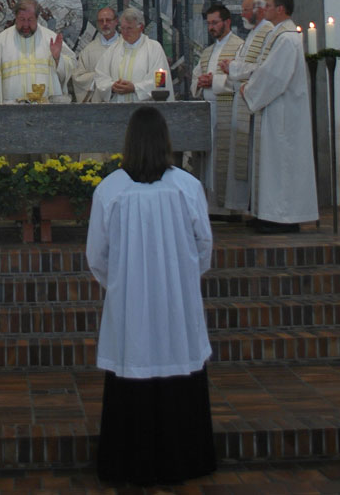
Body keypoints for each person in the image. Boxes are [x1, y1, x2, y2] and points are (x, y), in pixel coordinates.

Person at [86, 105, 216, 487]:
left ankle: (129, 461)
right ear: (165, 142)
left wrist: (125, 286)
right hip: (177, 302)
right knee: (179, 361)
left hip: (130, 303)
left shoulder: (110, 189)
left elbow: (97, 256)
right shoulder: (187, 187)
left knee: (134, 360)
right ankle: (185, 458)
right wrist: (179, 279)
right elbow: (203, 245)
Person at [240, 0, 319, 233]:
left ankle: (283, 217)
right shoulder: (277, 34)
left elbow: (273, 75)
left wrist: (249, 89)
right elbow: (266, 69)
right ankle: (267, 212)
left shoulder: (287, 38)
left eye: (270, 5)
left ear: (281, 9)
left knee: (281, 164)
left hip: (283, 113)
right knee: (270, 165)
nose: (266, 10)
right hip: (273, 109)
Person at [219, 0, 272, 212]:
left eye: (246, 10)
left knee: (256, 158)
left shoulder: (268, 33)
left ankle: (258, 207)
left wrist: (232, 68)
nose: (243, 14)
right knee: (244, 159)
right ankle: (249, 207)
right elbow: (245, 64)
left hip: (256, 107)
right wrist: (233, 67)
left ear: (259, 10)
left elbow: (262, 69)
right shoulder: (252, 35)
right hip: (243, 100)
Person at [190, 2, 242, 210]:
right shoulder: (208, 52)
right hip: (207, 112)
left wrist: (215, 82)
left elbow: (242, 79)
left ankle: (228, 207)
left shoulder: (239, 47)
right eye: (208, 23)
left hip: (227, 109)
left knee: (224, 159)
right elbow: (196, 76)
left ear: (227, 22)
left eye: (215, 22)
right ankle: (210, 206)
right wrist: (200, 82)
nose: (211, 27)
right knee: (209, 160)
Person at [0, 0, 76, 103]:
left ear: (37, 18)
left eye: (30, 20)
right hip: (11, 109)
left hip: (46, 108)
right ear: (15, 17)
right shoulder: (0, 41)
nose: (26, 25)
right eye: (22, 19)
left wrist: (57, 58)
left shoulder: (50, 39)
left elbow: (71, 67)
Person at [92, 7, 173, 102]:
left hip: (144, 110)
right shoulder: (113, 50)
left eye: (129, 28)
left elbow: (161, 82)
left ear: (141, 27)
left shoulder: (154, 48)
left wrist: (135, 88)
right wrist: (112, 86)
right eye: (122, 28)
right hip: (117, 109)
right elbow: (100, 75)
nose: (125, 32)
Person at [71, 7, 119, 103]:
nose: (105, 24)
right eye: (101, 21)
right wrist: (98, 77)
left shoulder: (126, 47)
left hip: (121, 99)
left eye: (108, 20)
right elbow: (78, 78)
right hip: (98, 103)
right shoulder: (89, 50)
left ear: (116, 22)